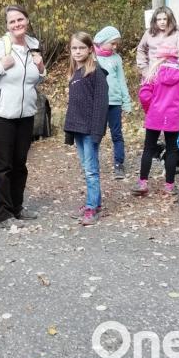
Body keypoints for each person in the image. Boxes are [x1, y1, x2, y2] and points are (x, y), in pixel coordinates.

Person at [0, 5, 47, 228]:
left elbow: (36, 78)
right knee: (3, 167)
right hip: (0, 115)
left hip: (25, 114)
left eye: (20, 19)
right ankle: (3, 214)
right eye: (12, 21)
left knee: (20, 165)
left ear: (27, 20)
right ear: (7, 25)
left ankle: (17, 207)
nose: (17, 24)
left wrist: (42, 68)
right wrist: (0, 66)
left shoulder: (34, 45)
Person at [132, 45, 179, 196]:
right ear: (176, 57)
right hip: (173, 115)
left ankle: (142, 183)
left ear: (159, 57)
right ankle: (169, 185)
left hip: (155, 114)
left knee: (148, 148)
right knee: (172, 150)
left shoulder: (153, 72)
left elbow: (144, 94)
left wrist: (150, 109)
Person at [63, 32, 109, 226]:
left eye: (82, 47)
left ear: (90, 49)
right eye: (74, 48)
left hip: (90, 131)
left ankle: (91, 207)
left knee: (91, 171)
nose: (78, 51)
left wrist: (97, 132)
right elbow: (74, 105)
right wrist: (70, 131)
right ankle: (95, 202)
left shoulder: (96, 72)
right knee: (86, 167)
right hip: (78, 130)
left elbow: (101, 104)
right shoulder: (75, 73)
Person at [93, 26, 132, 180]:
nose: (115, 47)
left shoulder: (116, 58)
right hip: (98, 102)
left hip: (115, 102)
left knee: (117, 134)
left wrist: (126, 102)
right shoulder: (93, 57)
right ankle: (92, 163)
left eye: (117, 44)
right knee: (96, 135)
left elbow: (121, 81)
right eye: (112, 43)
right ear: (103, 42)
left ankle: (119, 164)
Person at [136, 6, 179, 75]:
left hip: (173, 75)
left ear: (170, 19)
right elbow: (141, 49)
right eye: (159, 19)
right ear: (155, 20)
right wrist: (144, 69)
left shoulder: (178, 33)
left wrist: (174, 73)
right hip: (153, 75)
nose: (162, 22)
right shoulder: (149, 33)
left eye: (165, 19)